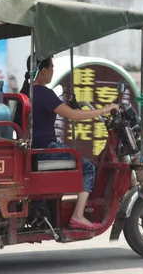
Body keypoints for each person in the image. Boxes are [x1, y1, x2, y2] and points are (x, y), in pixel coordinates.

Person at [14, 55, 119, 231]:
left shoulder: (26, 92)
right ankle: (78, 215)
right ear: (43, 70)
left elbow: (61, 109)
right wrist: (105, 109)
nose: (53, 70)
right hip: (46, 150)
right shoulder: (44, 93)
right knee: (87, 167)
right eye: (52, 67)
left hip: (33, 149)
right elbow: (73, 115)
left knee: (77, 158)